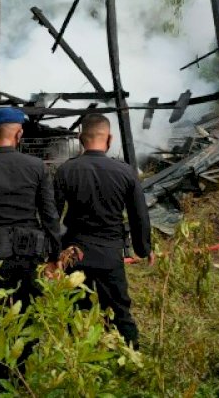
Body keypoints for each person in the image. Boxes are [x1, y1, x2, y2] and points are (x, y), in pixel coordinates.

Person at [0, 108, 62, 397]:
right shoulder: (37, 167)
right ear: (18, 133)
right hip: (32, 255)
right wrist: (55, 256)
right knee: (28, 313)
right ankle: (24, 376)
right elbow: (50, 215)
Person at [53, 114, 151, 349]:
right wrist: (144, 248)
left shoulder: (66, 171)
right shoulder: (126, 172)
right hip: (110, 254)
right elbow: (139, 214)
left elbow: (52, 217)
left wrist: (52, 254)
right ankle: (129, 354)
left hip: (74, 254)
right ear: (109, 139)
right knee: (119, 309)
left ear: (80, 139)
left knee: (76, 309)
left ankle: (79, 355)